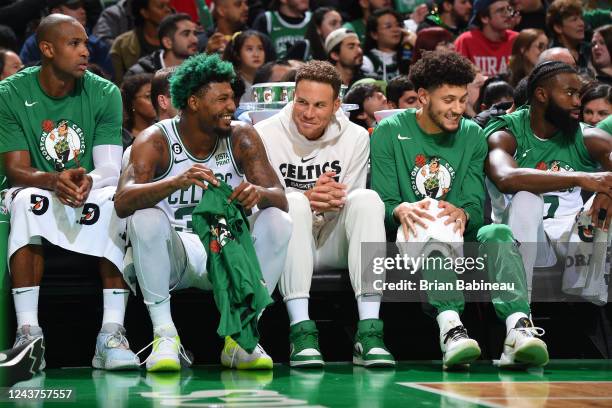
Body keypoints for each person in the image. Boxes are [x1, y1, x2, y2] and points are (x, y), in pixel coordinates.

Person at [370, 50, 548, 369]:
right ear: (423, 96)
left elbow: (474, 210)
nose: (457, 109)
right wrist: (401, 210)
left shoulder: (472, 134)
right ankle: (451, 327)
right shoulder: (388, 131)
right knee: (431, 218)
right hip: (406, 237)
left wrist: (464, 213)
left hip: (458, 237)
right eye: (448, 100)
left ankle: (518, 329)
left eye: (462, 99)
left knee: (498, 231)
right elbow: (382, 203)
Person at [114, 53, 292, 371]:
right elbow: (123, 200)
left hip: (224, 247)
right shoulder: (156, 139)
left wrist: (258, 194)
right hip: (174, 254)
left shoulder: (242, 136)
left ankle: (242, 337)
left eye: (232, 97)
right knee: (145, 216)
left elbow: (280, 198)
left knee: (278, 220)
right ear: (194, 102)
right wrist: (174, 182)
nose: (231, 106)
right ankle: (165, 336)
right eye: (221, 98)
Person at [0, 14, 139, 371]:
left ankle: (112, 333)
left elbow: (109, 166)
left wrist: (86, 181)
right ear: (47, 49)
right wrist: (55, 181)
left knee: (116, 203)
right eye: (74, 44)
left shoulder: (105, 92)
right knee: (26, 203)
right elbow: (15, 169)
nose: (84, 52)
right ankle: (29, 333)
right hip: (34, 187)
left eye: (86, 44)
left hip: (87, 185)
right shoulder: (10, 93)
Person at [255, 60, 395, 368]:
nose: (308, 113)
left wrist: (318, 202)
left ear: (336, 105)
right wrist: (306, 198)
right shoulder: (263, 134)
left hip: (332, 241)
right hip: (286, 245)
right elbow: (260, 206)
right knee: (292, 204)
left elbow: (347, 200)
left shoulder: (356, 136)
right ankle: (300, 331)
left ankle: (369, 332)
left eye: (319, 105)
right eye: (302, 102)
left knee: (368, 200)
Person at [485, 61, 612, 304]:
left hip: (572, 235)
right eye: (570, 93)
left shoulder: (585, 135)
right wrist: (581, 177)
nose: (578, 102)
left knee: (604, 199)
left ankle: (589, 289)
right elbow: (505, 178)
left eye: (579, 94)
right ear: (542, 95)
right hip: (523, 237)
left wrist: (608, 191)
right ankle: (520, 309)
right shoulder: (506, 132)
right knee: (526, 196)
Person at [19, 0, 113, 78]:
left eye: (82, 6)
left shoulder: (97, 45)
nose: (82, 11)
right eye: (75, 7)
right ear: (56, 12)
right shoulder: (35, 43)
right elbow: (25, 76)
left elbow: (108, 80)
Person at [110, 0, 173, 84]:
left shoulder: (180, 39)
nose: (168, 10)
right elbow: (118, 85)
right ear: (145, 12)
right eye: (161, 6)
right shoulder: (122, 44)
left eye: (168, 6)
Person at [454, 0, 519, 76]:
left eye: (509, 9)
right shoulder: (465, 41)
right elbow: (457, 79)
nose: (508, 14)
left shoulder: (516, 39)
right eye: (500, 10)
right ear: (484, 18)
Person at [125, 13, 198, 77]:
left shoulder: (201, 70)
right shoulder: (140, 73)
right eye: (186, 34)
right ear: (167, 42)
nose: (195, 40)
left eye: (195, 34)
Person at [222, 30, 273, 104]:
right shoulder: (233, 84)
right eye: (249, 49)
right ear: (237, 54)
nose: (256, 54)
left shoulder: (270, 79)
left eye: (260, 48)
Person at [362, 8, 412, 81]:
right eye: (388, 26)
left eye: (398, 25)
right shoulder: (367, 61)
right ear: (374, 34)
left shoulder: (408, 55)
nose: (396, 30)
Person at [546, 0, 590, 71]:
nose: (581, 23)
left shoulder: (590, 50)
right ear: (558, 27)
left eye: (581, 18)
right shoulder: (551, 57)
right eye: (574, 20)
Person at [121, 73, 156, 148]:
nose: (155, 100)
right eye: (148, 96)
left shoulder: (165, 128)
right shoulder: (123, 139)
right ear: (131, 102)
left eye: (156, 95)